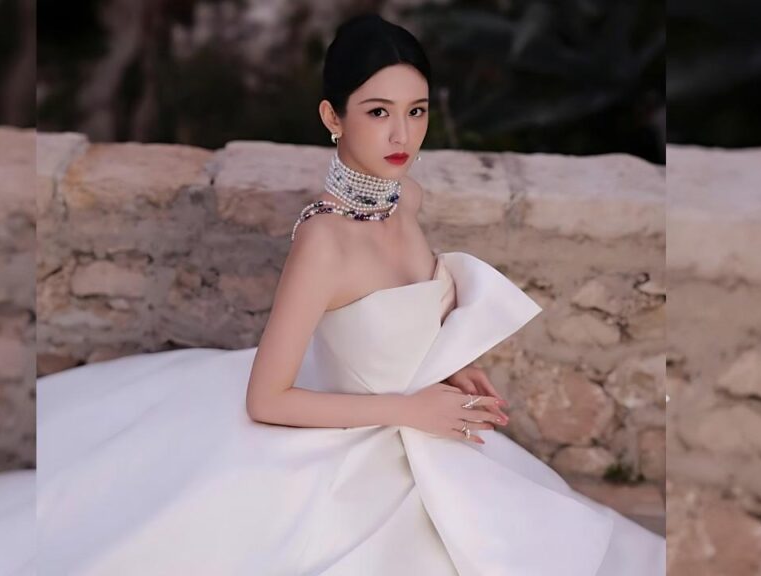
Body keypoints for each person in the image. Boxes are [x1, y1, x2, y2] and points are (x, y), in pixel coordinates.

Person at [37, 13, 665, 576]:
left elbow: (404, 314)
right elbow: (266, 398)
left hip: (424, 432)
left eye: (416, 111)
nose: (402, 135)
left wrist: (452, 367)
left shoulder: (408, 198)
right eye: (377, 111)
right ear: (332, 117)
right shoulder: (323, 242)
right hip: (359, 447)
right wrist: (408, 408)